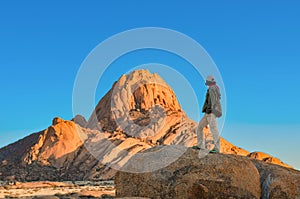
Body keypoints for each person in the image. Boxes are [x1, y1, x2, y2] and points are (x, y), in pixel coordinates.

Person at [193, 76, 222, 153]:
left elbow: (213, 101)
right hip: (208, 112)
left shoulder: (212, 89)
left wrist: (210, 110)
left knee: (213, 129)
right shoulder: (213, 88)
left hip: (211, 112)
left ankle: (217, 148)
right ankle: (200, 146)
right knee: (200, 127)